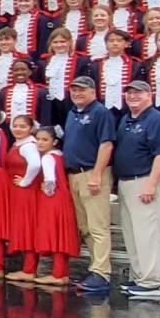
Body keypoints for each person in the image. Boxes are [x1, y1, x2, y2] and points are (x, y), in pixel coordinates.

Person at [112, 78, 160, 301]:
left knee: (148, 233)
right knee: (133, 233)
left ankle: (152, 282)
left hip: (146, 180)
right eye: (129, 93)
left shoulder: (157, 120)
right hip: (127, 180)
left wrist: (151, 184)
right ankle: (140, 277)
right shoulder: (126, 119)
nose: (133, 96)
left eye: (139, 93)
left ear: (150, 95)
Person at [60, 73, 115, 296]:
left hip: (91, 172)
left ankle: (102, 272)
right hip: (74, 174)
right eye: (74, 89)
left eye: (82, 89)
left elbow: (106, 145)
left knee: (97, 225)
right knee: (85, 227)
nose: (77, 93)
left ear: (93, 92)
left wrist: (98, 174)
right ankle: (95, 269)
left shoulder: (100, 112)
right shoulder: (73, 113)